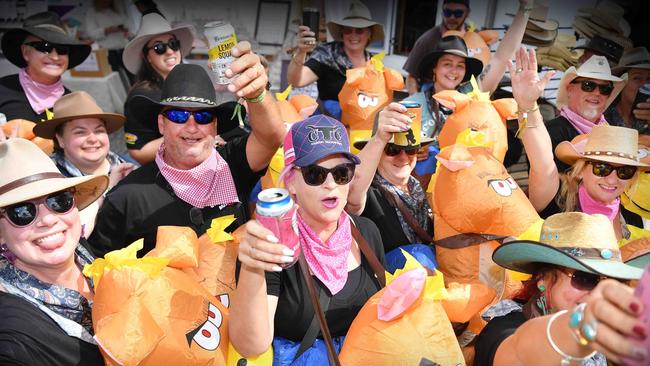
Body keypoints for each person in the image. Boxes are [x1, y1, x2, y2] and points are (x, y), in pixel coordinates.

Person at [87, 45, 284, 257]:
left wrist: (257, 94)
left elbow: (270, 137)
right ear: (162, 124)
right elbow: (97, 269)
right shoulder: (127, 197)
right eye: (179, 116)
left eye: (203, 117)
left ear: (215, 126)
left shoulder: (232, 165)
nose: (192, 127)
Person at [230, 115, 386, 364]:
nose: (331, 184)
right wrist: (252, 266)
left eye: (342, 173)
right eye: (315, 174)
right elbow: (251, 344)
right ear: (291, 183)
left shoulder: (367, 233)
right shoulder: (274, 247)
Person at [511, 47, 647, 244]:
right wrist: (527, 106)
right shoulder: (560, 195)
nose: (612, 178)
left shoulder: (626, 213)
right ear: (580, 169)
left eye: (625, 171)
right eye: (601, 167)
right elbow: (543, 166)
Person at [474, 212, 647, 366]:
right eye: (585, 278)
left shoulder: (606, 338)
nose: (599, 293)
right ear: (543, 279)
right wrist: (579, 327)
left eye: (613, 280)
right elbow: (519, 355)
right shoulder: (504, 327)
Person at [0, 138, 108, 365]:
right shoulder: (13, 341)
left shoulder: (83, 252)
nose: (48, 219)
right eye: (21, 212)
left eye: (60, 200)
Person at [347, 103, 434, 253]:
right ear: (378, 153)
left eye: (410, 149)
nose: (403, 157)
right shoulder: (367, 192)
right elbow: (351, 189)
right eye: (392, 150)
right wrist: (379, 139)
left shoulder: (420, 188)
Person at [287, 0, 384, 118]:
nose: (353, 35)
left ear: (370, 33)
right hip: (329, 127)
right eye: (348, 30)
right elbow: (297, 81)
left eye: (359, 30)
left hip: (361, 128)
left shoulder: (375, 63)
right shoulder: (326, 54)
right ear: (342, 33)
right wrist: (301, 51)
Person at [121, 12, 195, 164]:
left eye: (173, 44)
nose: (169, 51)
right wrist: (186, 136)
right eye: (159, 47)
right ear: (147, 57)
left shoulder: (187, 81)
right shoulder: (142, 96)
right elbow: (138, 152)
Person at [0, 11, 90, 121]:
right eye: (45, 47)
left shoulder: (73, 102)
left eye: (62, 49)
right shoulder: (3, 89)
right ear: (25, 52)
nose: (55, 57)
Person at [545, 54, 627, 173]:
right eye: (588, 85)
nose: (597, 93)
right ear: (570, 89)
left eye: (605, 88)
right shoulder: (552, 130)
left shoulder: (612, 128)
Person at [402, 0, 471, 95]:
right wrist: (417, 102)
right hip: (430, 93)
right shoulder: (428, 39)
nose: (452, 17)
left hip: (465, 93)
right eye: (448, 12)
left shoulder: (475, 37)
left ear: (467, 13)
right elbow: (411, 76)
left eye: (458, 13)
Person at [81, 0, 130, 83]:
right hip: (107, 52)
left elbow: (126, 23)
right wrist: (107, 30)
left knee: (131, 74)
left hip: (123, 48)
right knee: (116, 79)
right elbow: (92, 34)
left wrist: (125, 29)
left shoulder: (115, 10)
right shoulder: (92, 12)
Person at [605, 47, 650, 134]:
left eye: (649, 79)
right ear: (622, 82)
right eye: (637, 78)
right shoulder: (604, 116)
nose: (644, 84)